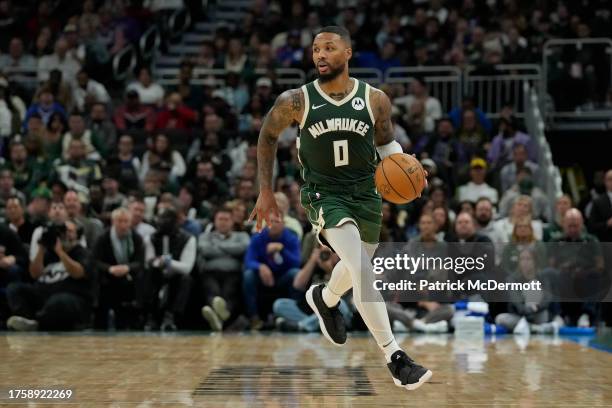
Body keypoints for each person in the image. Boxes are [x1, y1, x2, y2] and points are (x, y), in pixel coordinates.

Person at [249, 26, 432, 390]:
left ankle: (325, 297)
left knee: (355, 266)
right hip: (324, 195)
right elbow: (267, 136)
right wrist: (265, 191)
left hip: (366, 194)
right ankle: (395, 356)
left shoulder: (375, 99)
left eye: (329, 48)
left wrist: (408, 167)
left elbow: (386, 147)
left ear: (347, 53)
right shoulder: (296, 101)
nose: (320, 54)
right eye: (315, 49)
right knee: (362, 268)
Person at [6, 218, 92, 331]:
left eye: (70, 231)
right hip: (44, 297)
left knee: (58, 302)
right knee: (14, 288)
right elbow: (34, 274)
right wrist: (42, 246)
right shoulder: (49, 253)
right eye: (63, 231)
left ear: (77, 235)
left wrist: (60, 252)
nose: (65, 234)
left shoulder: (82, 252)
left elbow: (78, 273)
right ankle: (27, 320)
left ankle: (37, 323)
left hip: (71, 300)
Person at [243, 213, 301, 329]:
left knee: (295, 274)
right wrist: (260, 267)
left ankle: (291, 316)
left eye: (277, 222)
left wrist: (282, 249)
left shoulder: (291, 238)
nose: (273, 225)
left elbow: (297, 262)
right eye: (271, 221)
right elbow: (248, 261)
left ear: (284, 224)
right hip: (263, 277)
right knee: (248, 275)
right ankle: (254, 318)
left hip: (282, 277)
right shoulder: (257, 238)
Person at [198, 207, 250, 331]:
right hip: (210, 272)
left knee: (229, 291)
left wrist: (218, 247)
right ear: (214, 221)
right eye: (220, 219)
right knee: (212, 291)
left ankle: (217, 319)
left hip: (232, 273)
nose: (223, 222)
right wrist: (230, 251)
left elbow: (244, 247)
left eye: (226, 219)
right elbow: (205, 250)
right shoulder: (205, 236)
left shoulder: (242, 236)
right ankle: (221, 318)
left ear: (232, 222)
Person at [93, 208, 145, 330]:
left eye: (126, 221)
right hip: (107, 279)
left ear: (130, 222)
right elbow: (94, 261)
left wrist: (127, 268)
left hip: (128, 278)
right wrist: (110, 269)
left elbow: (140, 262)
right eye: (119, 221)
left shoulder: (136, 238)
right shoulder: (103, 238)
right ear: (113, 222)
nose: (123, 225)